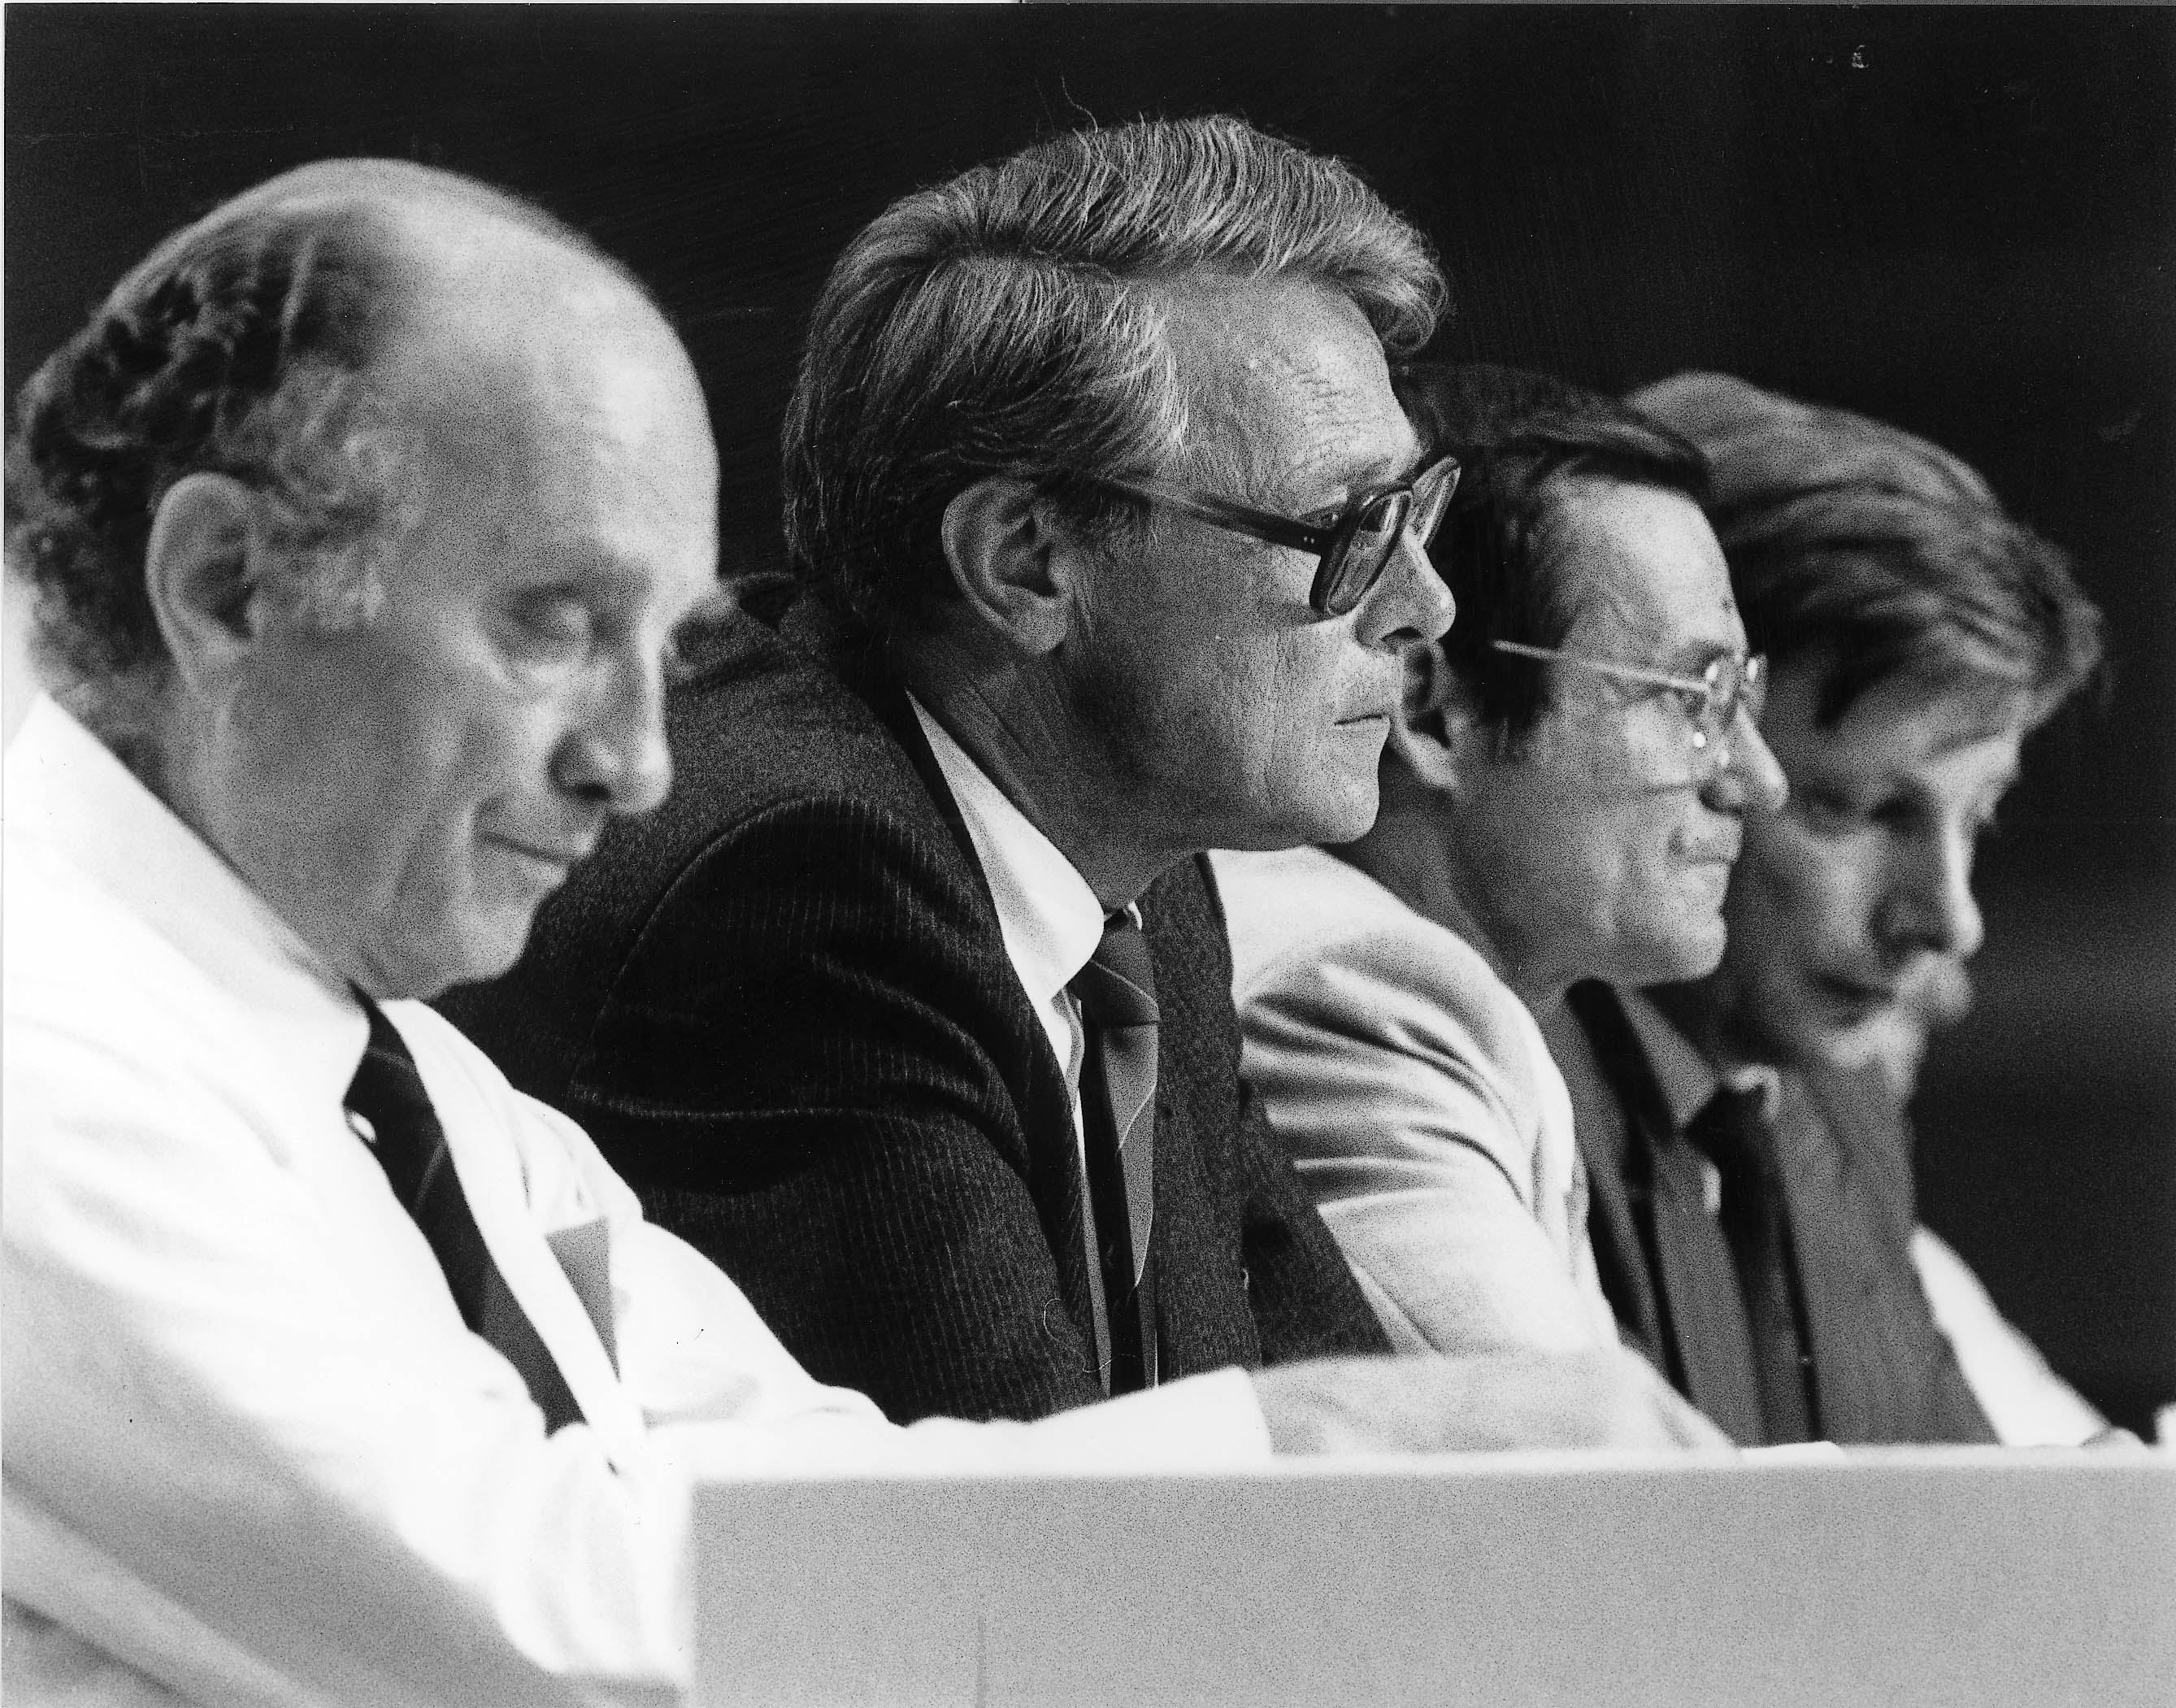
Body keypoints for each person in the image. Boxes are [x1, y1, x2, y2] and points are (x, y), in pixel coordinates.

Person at [2, 160, 1725, 1707]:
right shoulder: (44, 1055)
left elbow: (812, 1483)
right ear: (229, 587)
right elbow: (553, 1628)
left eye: (656, 641)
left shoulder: (409, 1075)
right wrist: (1304, 1449)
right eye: (550, 627)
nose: (636, 762)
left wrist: (1348, 1456)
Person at [443, 118, 1698, 1434]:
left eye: (1413, 516)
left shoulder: (1145, 886)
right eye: (1347, 532)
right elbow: (1043, 1560)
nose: (1424, 606)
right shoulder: (792, 891)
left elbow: (1343, 1442)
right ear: (1029, 562)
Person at [1540, 369, 2107, 1445]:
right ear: (1687, 736)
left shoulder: (1833, 1112)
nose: (1948, 922)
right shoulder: (1499, 1072)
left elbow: (1986, 1544)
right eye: (1854, 806)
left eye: (1974, 817)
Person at [1215, 363, 1786, 1363]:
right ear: (1438, 713)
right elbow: (1578, 1485)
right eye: (1689, 697)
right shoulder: (1356, 992)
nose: (1756, 778)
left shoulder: (1490, 1015)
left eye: (1741, 692)